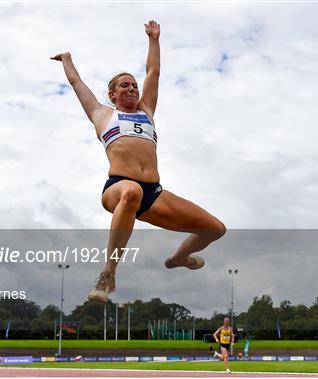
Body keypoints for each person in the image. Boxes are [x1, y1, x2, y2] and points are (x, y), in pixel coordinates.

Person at [51, 20, 226, 303]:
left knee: (215, 229)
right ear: (113, 94)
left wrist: (154, 39)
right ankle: (108, 274)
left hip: (154, 193)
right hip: (118, 188)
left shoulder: (146, 111)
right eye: (125, 86)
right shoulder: (102, 114)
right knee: (131, 191)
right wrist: (67, 59)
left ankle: (179, 258)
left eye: (134, 85)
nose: (132, 89)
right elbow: (76, 83)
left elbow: (153, 72)